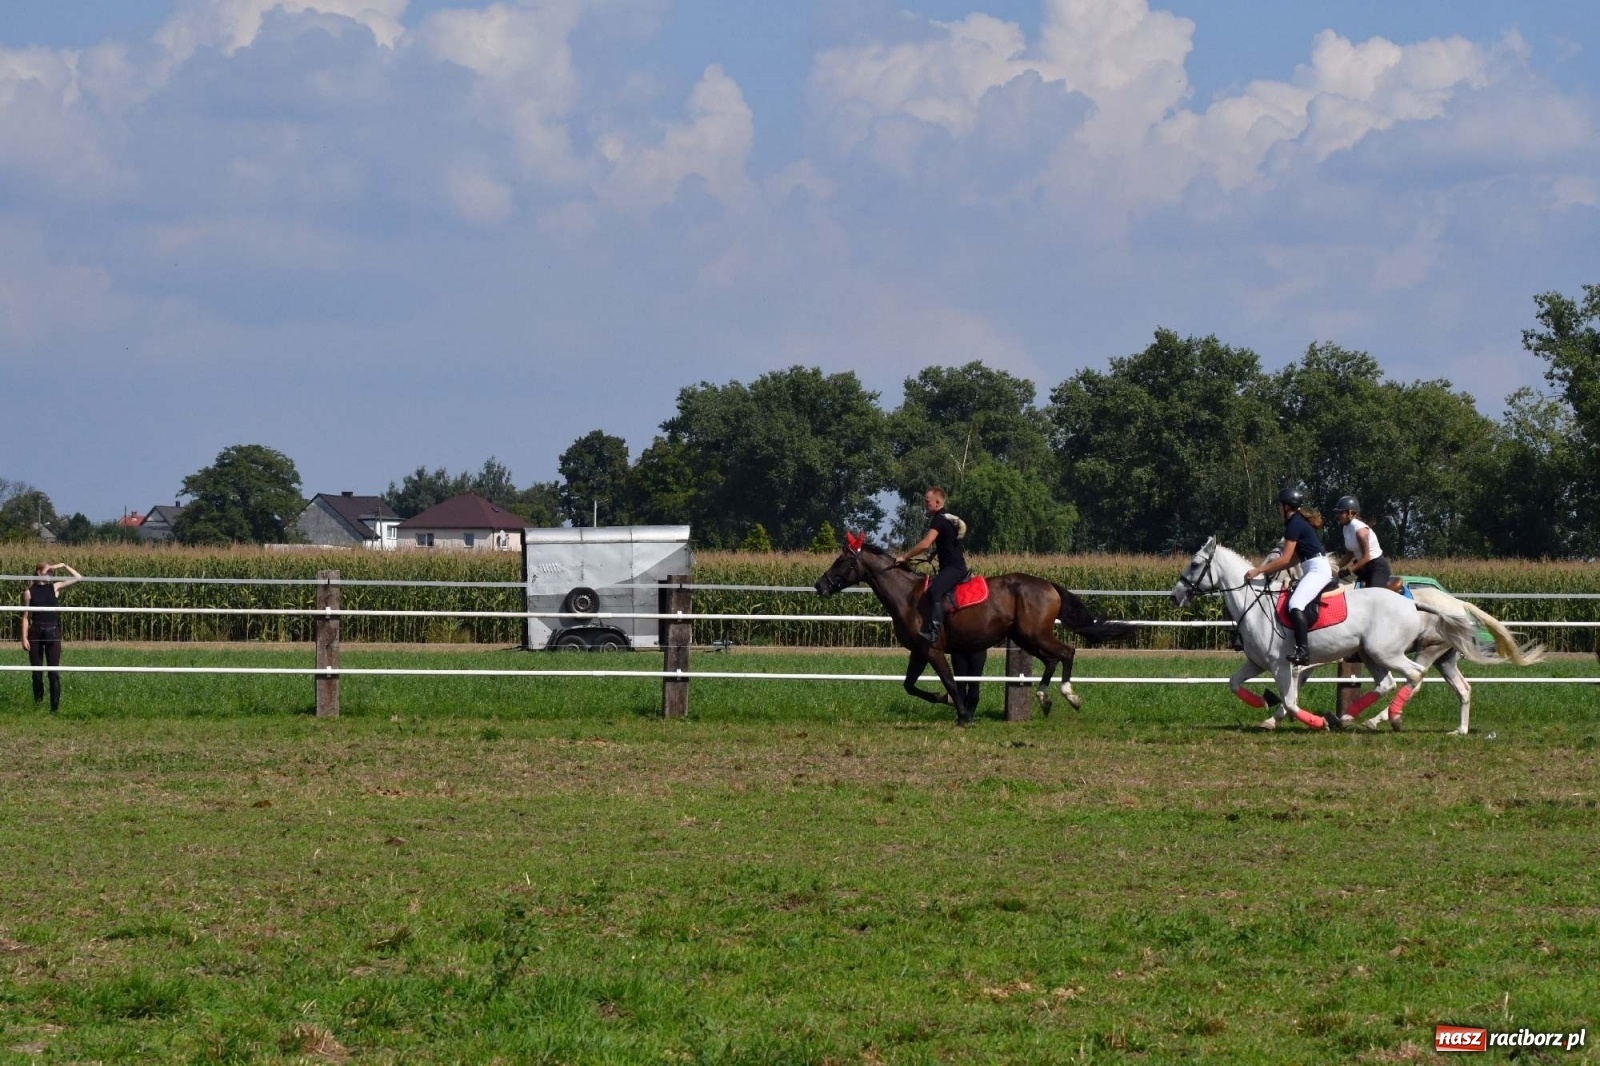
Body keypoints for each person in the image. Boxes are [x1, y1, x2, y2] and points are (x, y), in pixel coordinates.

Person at [1244, 488, 1329, 667]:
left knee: (1295, 604)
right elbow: (1293, 559)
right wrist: (1270, 570)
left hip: (1317, 569)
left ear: (1286, 506)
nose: (1278, 509)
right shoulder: (1296, 523)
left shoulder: (1294, 524)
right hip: (1311, 567)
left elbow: (1284, 558)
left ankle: (1303, 651)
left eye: (1279, 506)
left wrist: (1259, 570)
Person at [896, 486, 968, 644]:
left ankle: (934, 632)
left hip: (954, 568)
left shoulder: (939, 519)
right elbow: (947, 542)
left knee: (934, 591)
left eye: (927, 501)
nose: (925, 504)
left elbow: (925, 544)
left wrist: (905, 557)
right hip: (952, 567)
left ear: (937, 502)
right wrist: (934, 555)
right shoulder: (946, 517)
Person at [21, 562, 81, 714]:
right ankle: (38, 704)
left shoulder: (54, 587)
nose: (51, 574)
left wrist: (63, 565)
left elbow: (78, 578)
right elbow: (26, 616)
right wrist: (24, 637)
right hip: (36, 632)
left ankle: (54, 709)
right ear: (39, 573)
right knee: (37, 672)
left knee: (53, 672)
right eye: (48, 571)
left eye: (52, 572)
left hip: (52, 632)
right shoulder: (29, 592)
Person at [1333, 495, 1398, 592]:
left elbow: (1366, 557)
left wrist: (1349, 570)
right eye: (1337, 512)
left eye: (1340, 512)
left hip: (1377, 567)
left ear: (1351, 513)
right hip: (1364, 568)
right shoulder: (1346, 528)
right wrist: (1336, 567)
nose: (1337, 515)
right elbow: (1350, 553)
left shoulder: (1360, 531)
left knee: (1373, 595)